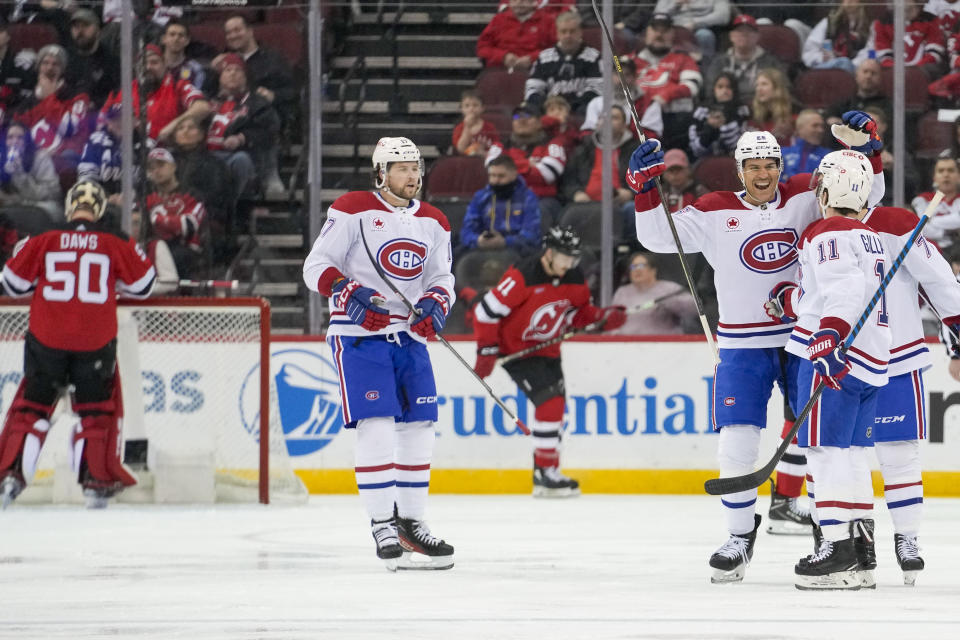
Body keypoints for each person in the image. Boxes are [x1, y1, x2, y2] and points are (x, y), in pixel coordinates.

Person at [627, 112, 887, 582]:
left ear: (780, 166)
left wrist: (867, 148)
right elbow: (655, 235)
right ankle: (738, 534)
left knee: (820, 442)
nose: (763, 174)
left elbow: (866, 192)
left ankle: (830, 533)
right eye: (754, 167)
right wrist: (644, 188)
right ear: (739, 170)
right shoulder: (713, 208)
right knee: (736, 440)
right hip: (742, 342)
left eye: (770, 164)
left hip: (803, 340)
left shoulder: (808, 196)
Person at [302, 137, 455, 571]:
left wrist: (437, 303)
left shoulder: (434, 220)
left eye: (416, 167)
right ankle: (382, 523)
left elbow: (443, 276)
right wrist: (347, 291)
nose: (413, 175)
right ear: (380, 173)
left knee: (421, 424)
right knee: (378, 424)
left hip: (409, 337)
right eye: (403, 168)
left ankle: (412, 521)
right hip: (359, 335)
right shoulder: (352, 208)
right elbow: (316, 266)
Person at [772, 149, 889, 590]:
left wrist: (830, 334)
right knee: (854, 454)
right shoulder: (868, 235)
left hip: (834, 358)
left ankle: (837, 549)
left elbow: (844, 287)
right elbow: (837, 290)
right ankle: (861, 552)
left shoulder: (826, 233)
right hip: (870, 359)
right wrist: (795, 303)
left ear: (826, 190)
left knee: (825, 453)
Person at [0, 180, 156, 509]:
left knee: (31, 411)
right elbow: (143, 286)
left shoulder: (43, 237)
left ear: (71, 206)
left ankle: (9, 478)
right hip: (94, 340)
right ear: (100, 209)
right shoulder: (116, 240)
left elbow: (12, 284)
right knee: (95, 414)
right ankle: (95, 483)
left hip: (47, 338)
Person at [850, 201, 960, 586]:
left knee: (899, 454)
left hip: (897, 356)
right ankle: (854, 542)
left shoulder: (894, 222)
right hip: (843, 363)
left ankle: (907, 539)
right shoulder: (817, 228)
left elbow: (938, 277)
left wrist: (956, 319)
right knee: (844, 460)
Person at [472, 225, 627, 497]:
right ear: (550, 253)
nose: (569, 264)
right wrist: (486, 350)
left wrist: (602, 317)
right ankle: (545, 473)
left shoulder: (574, 276)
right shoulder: (523, 275)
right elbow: (485, 313)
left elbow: (576, 315)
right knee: (550, 404)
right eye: (565, 257)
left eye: (574, 258)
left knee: (554, 410)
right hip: (517, 353)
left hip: (548, 349)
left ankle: (546, 471)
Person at [101, 43, 210, 144]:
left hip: (167, 154)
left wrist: (172, 126)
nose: (148, 67)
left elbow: (203, 107)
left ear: (164, 65)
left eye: (154, 62)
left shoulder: (178, 86)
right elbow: (101, 122)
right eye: (143, 63)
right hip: (126, 153)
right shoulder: (122, 90)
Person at [627, 13, 703, 150]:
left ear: (672, 34)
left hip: (671, 119)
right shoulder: (630, 61)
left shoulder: (683, 58)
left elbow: (692, 85)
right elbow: (613, 83)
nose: (659, 35)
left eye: (664, 31)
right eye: (655, 30)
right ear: (647, 33)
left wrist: (666, 96)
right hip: (634, 118)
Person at [486, 101, 566, 224]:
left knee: (536, 211)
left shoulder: (553, 144)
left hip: (542, 200)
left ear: (540, 122)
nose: (521, 120)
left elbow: (549, 173)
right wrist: (528, 165)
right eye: (517, 117)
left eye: (528, 116)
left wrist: (510, 166)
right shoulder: (500, 145)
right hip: (505, 197)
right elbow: (493, 169)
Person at [144, 147, 207, 279]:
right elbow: (142, 228)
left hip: (186, 250)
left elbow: (189, 225)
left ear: (173, 167)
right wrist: (173, 222)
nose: (156, 171)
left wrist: (156, 219)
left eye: (161, 165)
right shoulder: (146, 198)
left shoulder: (192, 195)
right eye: (151, 168)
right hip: (155, 249)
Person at [460, 154, 541, 256]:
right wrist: (478, 240)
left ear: (514, 175)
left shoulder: (528, 198)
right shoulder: (481, 197)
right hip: (482, 250)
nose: (496, 181)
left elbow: (532, 236)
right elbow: (466, 231)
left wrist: (504, 242)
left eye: (501, 176)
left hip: (517, 252)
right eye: (492, 176)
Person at [523, 10, 601, 114]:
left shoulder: (594, 57)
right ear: (557, 33)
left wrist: (571, 107)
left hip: (580, 110)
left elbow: (598, 89)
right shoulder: (544, 57)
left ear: (580, 32)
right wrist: (548, 106)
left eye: (572, 31)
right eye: (563, 31)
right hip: (548, 109)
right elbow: (532, 88)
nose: (568, 35)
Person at [702, 14, 785, 103]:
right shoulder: (719, 62)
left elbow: (782, 89)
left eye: (749, 31)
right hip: (728, 109)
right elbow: (709, 91)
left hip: (761, 109)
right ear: (731, 36)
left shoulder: (771, 62)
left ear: (757, 36)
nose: (744, 34)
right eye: (739, 31)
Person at [610, 251, 698, 335]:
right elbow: (613, 319)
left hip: (665, 345)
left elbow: (694, 309)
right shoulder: (622, 292)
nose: (637, 270)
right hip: (627, 345)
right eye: (633, 267)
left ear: (653, 270)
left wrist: (670, 302)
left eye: (641, 266)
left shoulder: (669, 288)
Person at [0, 121, 62, 224]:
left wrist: (20, 175)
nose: (14, 141)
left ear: (27, 140)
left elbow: (52, 193)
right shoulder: (1, 158)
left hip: (38, 205)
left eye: (20, 137)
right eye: (10, 137)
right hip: (11, 204)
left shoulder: (40, 157)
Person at [476, 0, 556, 72]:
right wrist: (503, 56)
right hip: (499, 71)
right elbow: (482, 47)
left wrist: (533, 58)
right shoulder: (498, 20)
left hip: (536, 71)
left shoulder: (547, 21)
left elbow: (556, 49)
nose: (518, 2)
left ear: (533, 2)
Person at [688, 71, 750, 159]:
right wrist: (709, 129)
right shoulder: (701, 111)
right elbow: (696, 150)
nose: (724, 91)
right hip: (707, 161)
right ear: (714, 89)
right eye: (720, 87)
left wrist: (727, 123)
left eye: (728, 87)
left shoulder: (742, 111)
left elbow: (743, 147)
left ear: (734, 90)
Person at [802, 0, 871, 74]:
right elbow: (808, 51)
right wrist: (821, 58)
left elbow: (872, 54)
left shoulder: (870, 26)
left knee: (845, 63)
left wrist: (853, 64)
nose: (848, 1)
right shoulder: (828, 22)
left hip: (856, 71)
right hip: (827, 66)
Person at [912, 156, 960, 249]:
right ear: (934, 177)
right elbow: (921, 228)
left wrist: (931, 221)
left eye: (950, 170)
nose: (946, 175)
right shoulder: (924, 200)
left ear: (958, 175)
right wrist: (951, 232)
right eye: (941, 171)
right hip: (929, 252)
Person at [826, 58, 892, 126]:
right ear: (856, 75)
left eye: (873, 73)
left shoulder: (888, 106)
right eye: (865, 71)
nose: (868, 76)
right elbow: (829, 119)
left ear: (880, 78)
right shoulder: (843, 103)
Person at [780, 109, 831, 181]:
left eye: (822, 126)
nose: (820, 130)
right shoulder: (781, 153)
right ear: (800, 128)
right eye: (815, 126)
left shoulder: (829, 156)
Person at [749, 67, 795, 145]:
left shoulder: (793, 115)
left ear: (777, 88)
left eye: (764, 84)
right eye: (757, 85)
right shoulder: (751, 114)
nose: (759, 89)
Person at [452, 89, 501, 157]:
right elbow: (461, 149)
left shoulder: (490, 127)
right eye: (467, 106)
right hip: (465, 162)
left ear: (482, 108)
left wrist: (484, 154)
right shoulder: (459, 128)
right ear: (462, 109)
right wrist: (467, 126)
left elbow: (497, 148)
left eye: (475, 105)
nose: (471, 109)